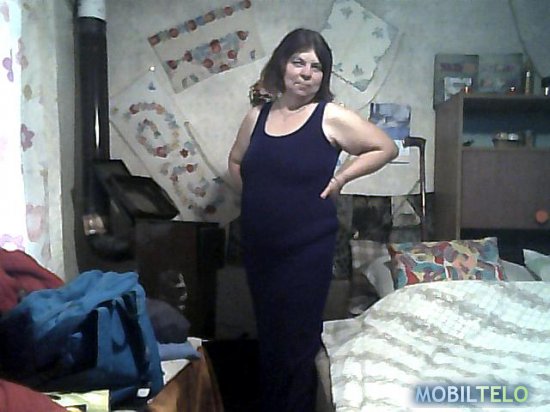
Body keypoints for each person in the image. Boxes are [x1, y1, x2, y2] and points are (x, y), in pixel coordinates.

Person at [227, 28, 398, 411]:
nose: (306, 73)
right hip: (259, 249)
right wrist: (252, 196)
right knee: (270, 337)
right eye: (298, 62)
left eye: (316, 67)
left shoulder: (330, 116)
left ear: (324, 75)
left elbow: (384, 147)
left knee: (296, 343)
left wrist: (341, 178)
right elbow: (235, 161)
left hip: (305, 252)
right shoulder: (256, 117)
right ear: (282, 65)